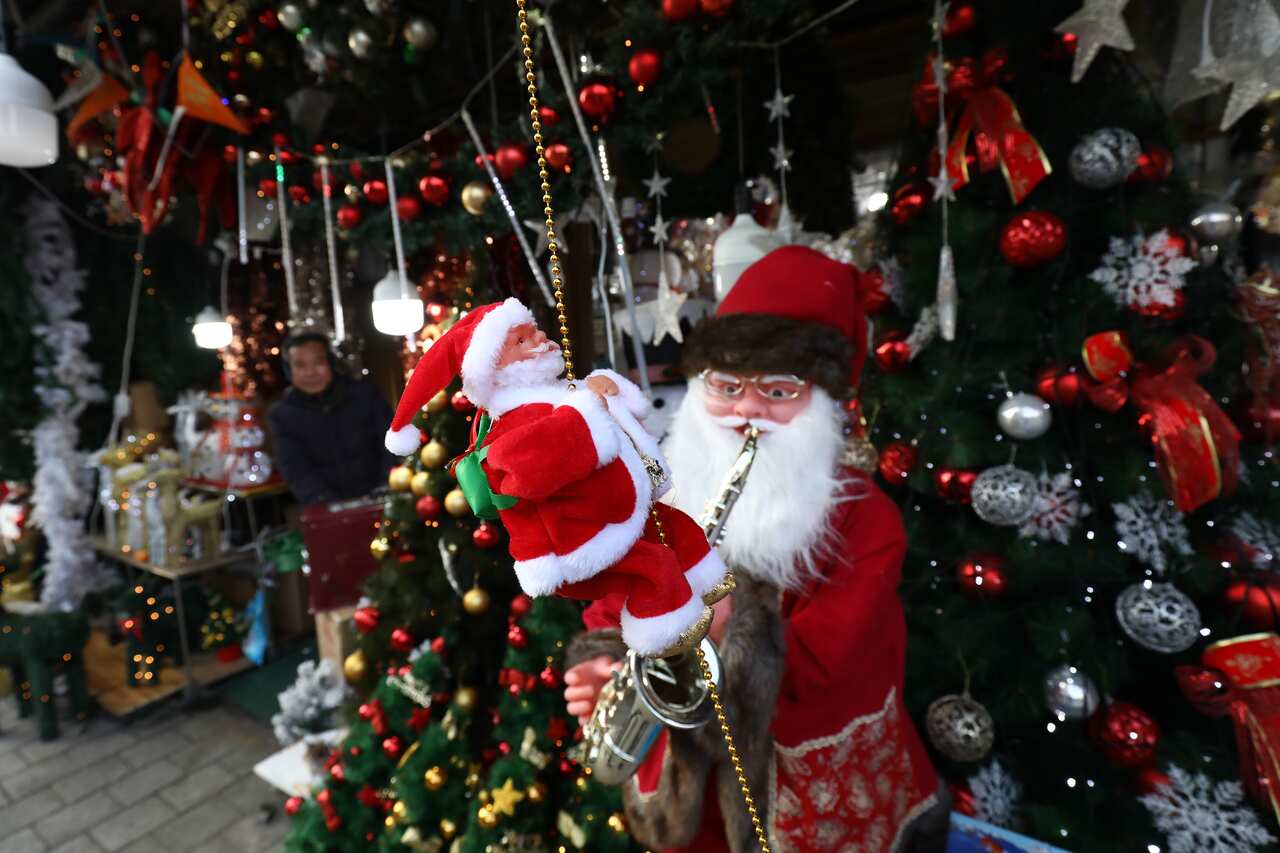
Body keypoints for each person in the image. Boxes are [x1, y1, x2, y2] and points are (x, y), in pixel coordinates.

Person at [562, 246, 949, 852]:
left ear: (821, 401)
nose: (746, 411)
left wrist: (727, 636)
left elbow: (832, 669)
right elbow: (618, 602)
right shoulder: (668, 498)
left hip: (804, 812)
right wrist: (605, 666)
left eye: (777, 390)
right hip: (692, 814)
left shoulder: (866, 522)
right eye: (726, 386)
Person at [381, 298, 726, 656]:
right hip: (575, 534)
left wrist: (607, 388)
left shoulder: (553, 394)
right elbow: (528, 467)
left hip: (613, 511)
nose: (541, 339)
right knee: (654, 564)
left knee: (678, 528)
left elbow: (589, 406)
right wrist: (589, 412)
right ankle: (665, 631)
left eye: (535, 332)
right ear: (493, 369)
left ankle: (707, 579)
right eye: (522, 340)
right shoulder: (511, 421)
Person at [269, 332, 396, 506]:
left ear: (331, 362)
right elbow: (295, 469)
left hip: (383, 498)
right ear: (289, 371)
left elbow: (391, 443)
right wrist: (328, 504)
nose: (310, 372)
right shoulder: (283, 415)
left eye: (318, 362)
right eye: (300, 365)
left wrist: (387, 485)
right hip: (327, 509)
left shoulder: (365, 395)